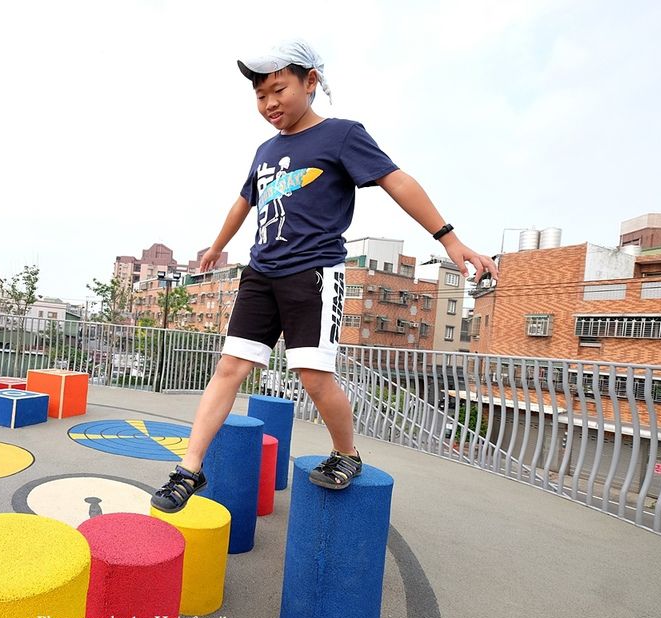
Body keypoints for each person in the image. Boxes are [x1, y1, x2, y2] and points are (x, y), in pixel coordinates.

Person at [151, 39, 498, 512]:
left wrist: (448, 238)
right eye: (260, 96)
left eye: (279, 90)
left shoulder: (341, 134)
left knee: (313, 376)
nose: (269, 104)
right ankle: (189, 469)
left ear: (310, 82)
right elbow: (244, 200)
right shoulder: (265, 150)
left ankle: (346, 452)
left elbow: (397, 180)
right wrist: (217, 246)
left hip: (313, 272)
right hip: (261, 271)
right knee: (230, 368)